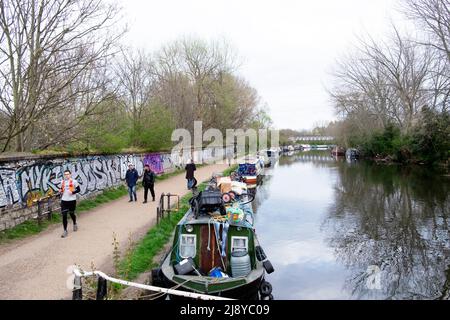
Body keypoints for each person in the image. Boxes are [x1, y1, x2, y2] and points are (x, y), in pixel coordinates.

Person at [59, 169, 81, 238]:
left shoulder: (74, 181)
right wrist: (60, 191)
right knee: (64, 215)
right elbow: (62, 189)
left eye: (67, 174)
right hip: (64, 200)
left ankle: (74, 223)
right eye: (65, 174)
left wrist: (73, 192)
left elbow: (78, 189)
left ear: (70, 174)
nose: (66, 175)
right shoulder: (62, 182)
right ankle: (65, 231)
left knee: (72, 214)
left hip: (72, 200)